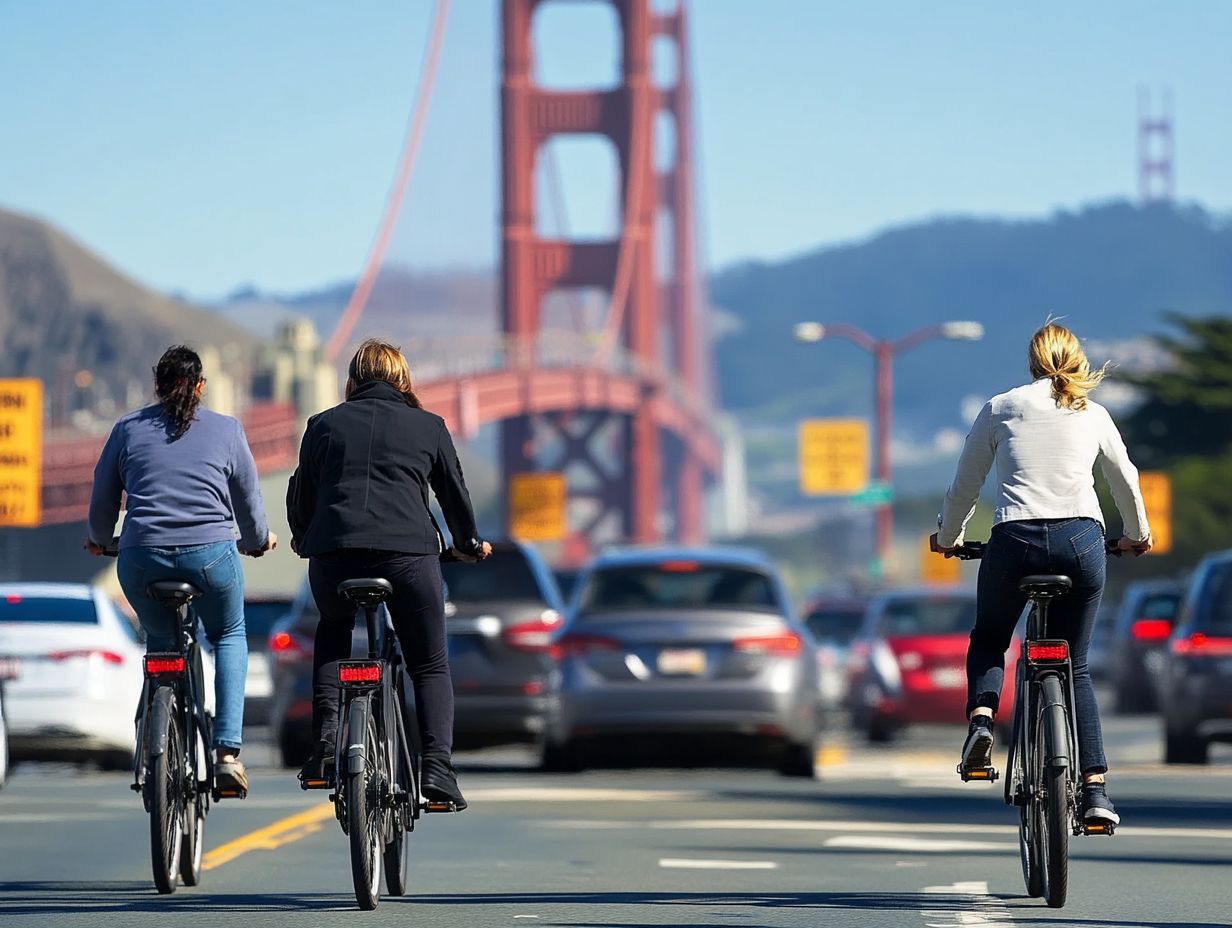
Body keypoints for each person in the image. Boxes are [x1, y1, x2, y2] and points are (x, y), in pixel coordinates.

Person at [933, 322, 1151, 827]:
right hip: (1082, 540)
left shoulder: (1000, 407)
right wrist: (1137, 536)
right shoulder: (1093, 413)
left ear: (1032, 361)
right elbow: (1125, 479)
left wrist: (948, 539)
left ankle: (983, 720)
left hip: (1014, 541)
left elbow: (965, 485)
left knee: (990, 637)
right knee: (1075, 666)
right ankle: (1096, 790)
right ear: (1077, 361)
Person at [287, 338, 489, 810]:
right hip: (407, 557)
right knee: (429, 663)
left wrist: (304, 539)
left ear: (352, 382)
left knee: (334, 630)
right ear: (403, 381)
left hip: (334, 557)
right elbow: (454, 498)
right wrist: (468, 544)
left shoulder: (322, 426)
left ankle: (323, 750)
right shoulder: (429, 426)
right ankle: (437, 769)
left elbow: (301, 500)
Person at [86, 345, 276, 793]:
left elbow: (102, 499)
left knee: (160, 641)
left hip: (141, 558)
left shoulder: (127, 430)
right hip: (210, 556)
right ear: (201, 387)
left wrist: (99, 540)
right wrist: (256, 541)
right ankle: (227, 752)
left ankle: (156, 726)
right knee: (228, 633)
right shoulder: (227, 430)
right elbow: (248, 502)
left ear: (158, 384)